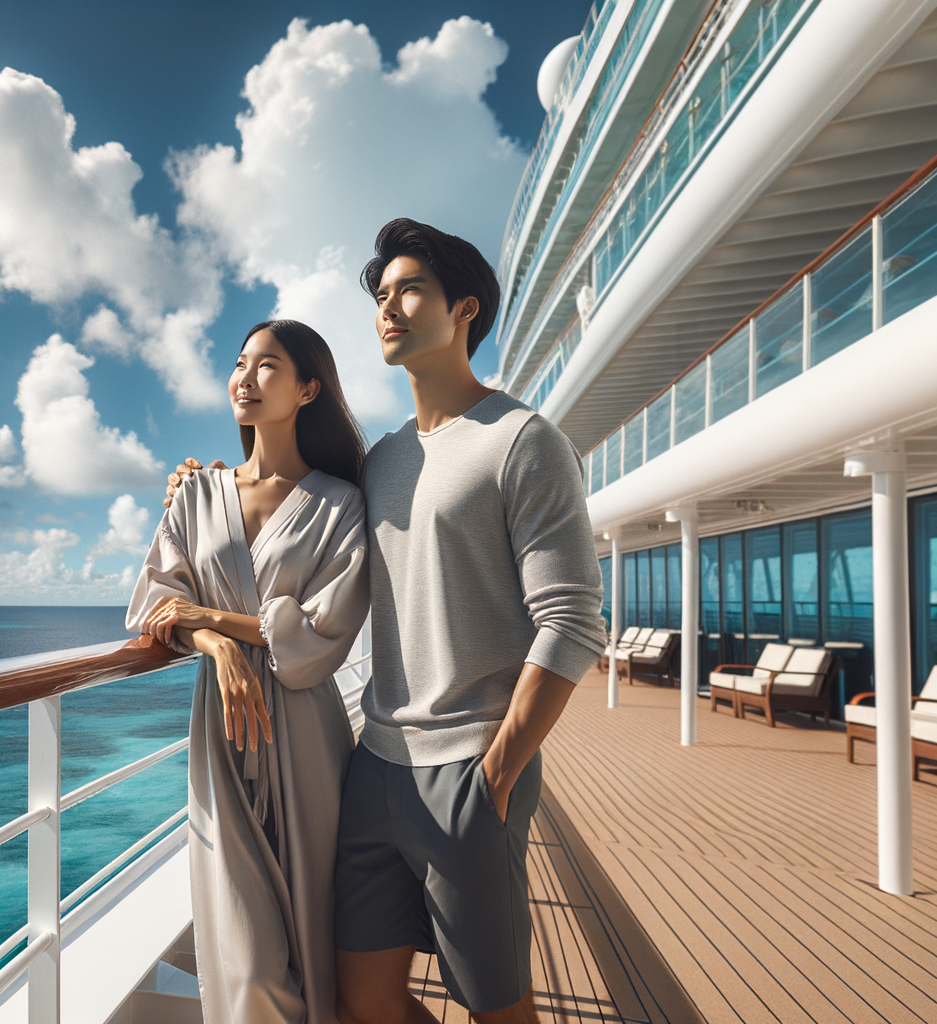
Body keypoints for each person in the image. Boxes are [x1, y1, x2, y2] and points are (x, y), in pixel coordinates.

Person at [165, 219, 606, 1023]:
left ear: (464, 308)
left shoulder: (522, 441)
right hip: (372, 765)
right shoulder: (381, 463)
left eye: (410, 289)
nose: (387, 307)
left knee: (497, 1006)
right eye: (380, 294)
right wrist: (200, 481)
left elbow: (572, 621)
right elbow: (287, 500)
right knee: (364, 1006)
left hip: (472, 769)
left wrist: (500, 769)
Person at [129, 318, 371, 1024]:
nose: (245, 377)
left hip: (308, 735)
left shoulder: (339, 502)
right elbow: (155, 601)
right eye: (240, 363)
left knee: (315, 941)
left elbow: (322, 635)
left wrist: (213, 621)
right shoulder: (196, 494)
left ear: (308, 389)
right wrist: (218, 648)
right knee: (248, 959)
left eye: (268, 366)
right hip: (221, 736)